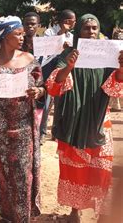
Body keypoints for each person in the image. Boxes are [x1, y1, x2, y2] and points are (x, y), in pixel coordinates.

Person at [46, 14, 123, 222]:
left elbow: (114, 88)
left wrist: (121, 68)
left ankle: (102, 213)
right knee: (74, 169)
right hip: (72, 121)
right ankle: (75, 211)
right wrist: (69, 67)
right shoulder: (69, 54)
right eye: (86, 28)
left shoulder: (109, 56)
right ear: (79, 31)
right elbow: (54, 86)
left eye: (94, 28)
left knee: (102, 166)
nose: (90, 31)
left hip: (99, 120)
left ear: (99, 30)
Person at [0, 16, 44, 222]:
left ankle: (21, 216)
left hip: (22, 126)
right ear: (5, 37)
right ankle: (6, 213)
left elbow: (44, 88)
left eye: (23, 33)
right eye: (18, 34)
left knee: (22, 172)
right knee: (0, 172)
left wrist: (37, 92)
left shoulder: (31, 60)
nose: (22, 37)